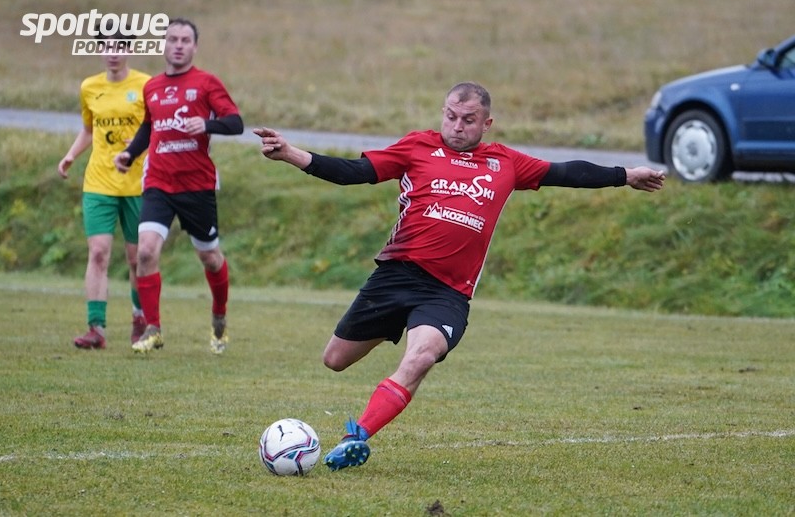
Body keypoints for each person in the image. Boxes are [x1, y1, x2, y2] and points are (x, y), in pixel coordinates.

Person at [254, 81, 665, 471]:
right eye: (450, 116)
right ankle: (381, 364)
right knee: (335, 360)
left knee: (421, 356)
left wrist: (625, 175)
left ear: (486, 123)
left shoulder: (505, 162)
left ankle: (356, 437)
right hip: (395, 276)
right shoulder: (417, 147)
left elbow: (566, 172)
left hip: (447, 293)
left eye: (468, 119)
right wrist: (291, 153)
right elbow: (353, 171)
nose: (457, 126)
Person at [114, 18, 243, 355]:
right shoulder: (152, 87)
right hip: (158, 182)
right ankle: (153, 329)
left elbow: (236, 123)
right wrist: (129, 153)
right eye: (173, 39)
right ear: (164, 44)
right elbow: (149, 127)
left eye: (185, 40)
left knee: (210, 258)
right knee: (145, 252)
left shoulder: (206, 83)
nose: (179, 45)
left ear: (194, 47)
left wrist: (207, 125)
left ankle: (219, 316)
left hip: (197, 185)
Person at [59, 22, 151, 349]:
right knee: (98, 253)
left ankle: (140, 318)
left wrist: (138, 146)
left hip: (137, 184)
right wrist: (71, 155)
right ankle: (95, 329)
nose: (113, 53)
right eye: (107, 46)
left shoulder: (145, 86)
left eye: (120, 46)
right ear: (99, 49)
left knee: (137, 258)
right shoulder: (89, 87)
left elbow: (157, 129)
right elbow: (89, 129)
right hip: (98, 181)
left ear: (130, 49)